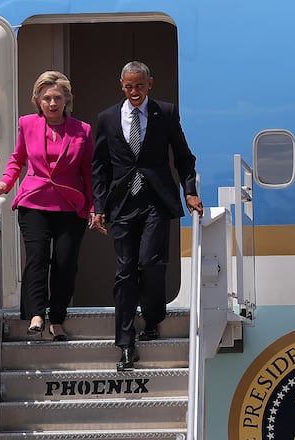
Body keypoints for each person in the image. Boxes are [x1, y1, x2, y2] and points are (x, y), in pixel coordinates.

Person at [90, 61, 204, 371]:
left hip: (156, 199)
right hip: (122, 204)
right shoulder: (107, 118)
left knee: (151, 264)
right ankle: (126, 344)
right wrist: (98, 206)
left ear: (149, 83)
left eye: (139, 85)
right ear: (121, 85)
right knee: (125, 271)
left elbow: (183, 156)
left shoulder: (165, 113)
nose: (134, 91)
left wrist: (189, 191)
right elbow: (99, 166)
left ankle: (153, 317)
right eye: (129, 86)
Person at [0, 71, 93, 341]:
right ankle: (36, 315)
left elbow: (90, 172)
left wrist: (93, 206)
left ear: (66, 100)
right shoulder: (27, 124)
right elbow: (17, 159)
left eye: (57, 97)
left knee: (65, 263)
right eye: (47, 98)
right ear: (37, 101)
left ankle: (57, 319)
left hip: (70, 205)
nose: (52, 103)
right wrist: (6, 183)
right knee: (37, 258)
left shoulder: (83, 130)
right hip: (34, 202)